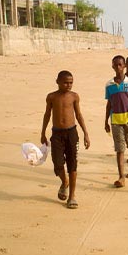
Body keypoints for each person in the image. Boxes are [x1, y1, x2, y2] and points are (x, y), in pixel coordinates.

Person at [41, 70, 90, 209]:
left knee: (72, 164)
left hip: (72, 133)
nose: (68, 85)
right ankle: (64, 182)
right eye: (65, 82)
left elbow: (79, 115)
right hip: (56, 133)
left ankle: (72, 196)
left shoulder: (74, 96)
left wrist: (86, 133)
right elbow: (47, 114)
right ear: (57, 81)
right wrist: (43, 132)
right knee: (57, 163)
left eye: (71, 83)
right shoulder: (51, 97)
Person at [105, 55, 128, 187]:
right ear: (113, 66)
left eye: (120, 64)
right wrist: (105, 121)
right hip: (115, 121)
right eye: (115, 65)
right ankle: (121, 177)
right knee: (119, 149)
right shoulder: (109, 84)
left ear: (124, 66)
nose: (118, 67)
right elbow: (109, 104)